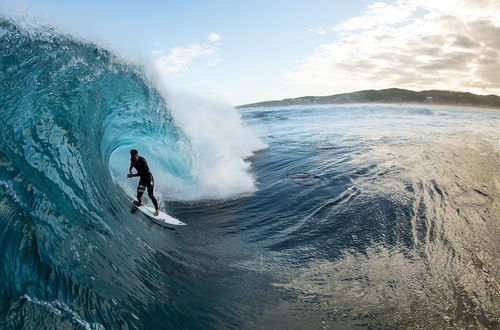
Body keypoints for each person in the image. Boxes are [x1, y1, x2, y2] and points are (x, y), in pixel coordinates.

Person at [127, 149, 160, 216]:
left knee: (150, 194)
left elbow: (142, 173)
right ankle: (140, 203)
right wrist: (130, 171)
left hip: (148, 178)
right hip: (143, 179)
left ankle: (157, 209)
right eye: (133, 157)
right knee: (138, 196)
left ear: (137, 155)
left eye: (136, 156)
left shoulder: (142, 161)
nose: (135, 158)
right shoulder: (132, 160)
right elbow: (131, 165)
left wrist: (132, 175)